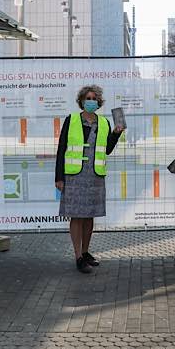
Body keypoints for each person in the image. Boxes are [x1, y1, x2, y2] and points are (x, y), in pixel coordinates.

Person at [55, 85, 124, 274]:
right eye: (88, 98)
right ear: (82, 101)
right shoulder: (72, 120)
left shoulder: (104, 122)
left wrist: (116, 133)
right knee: (77, 215)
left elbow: (107, 149)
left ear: (98, 102)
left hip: (94, 175)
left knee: (89, 216)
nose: (91, 101)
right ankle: (78, 256)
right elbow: (61, 148)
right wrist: (59, 177)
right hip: (74, 175)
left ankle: (85, 252)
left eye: (94, 98)